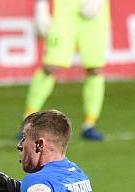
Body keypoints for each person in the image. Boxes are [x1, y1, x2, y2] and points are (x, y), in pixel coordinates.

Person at [24, 0, 110, 141]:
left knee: (95, 68)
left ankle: (90, 124)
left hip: (93, 14)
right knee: (50, 66)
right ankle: (28, 120)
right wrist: (41, 7)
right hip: (64, 10)